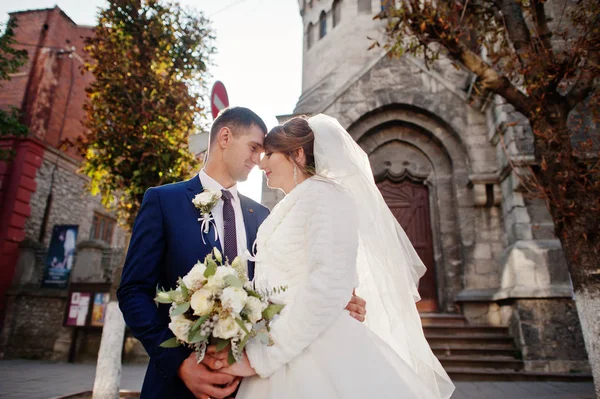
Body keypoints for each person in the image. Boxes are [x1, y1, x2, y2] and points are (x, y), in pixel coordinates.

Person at [117, 107, 367, 399]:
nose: (258, 159)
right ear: (225, 137)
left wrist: (336, 303)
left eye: (264, 152)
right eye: (253, 147)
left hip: (253, 382)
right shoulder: (163, 201)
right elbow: (133, 291)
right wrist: (180, 364)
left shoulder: (264, 216)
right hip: (177, 386)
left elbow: (276, 290)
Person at [207, 114, 455, 399]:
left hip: (310, 350)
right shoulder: (292, 204)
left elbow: (328, 284)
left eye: (270, 154)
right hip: (280, 343)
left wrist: (261, 358)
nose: (262, 163)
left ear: (297, 153)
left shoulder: (328, 197)